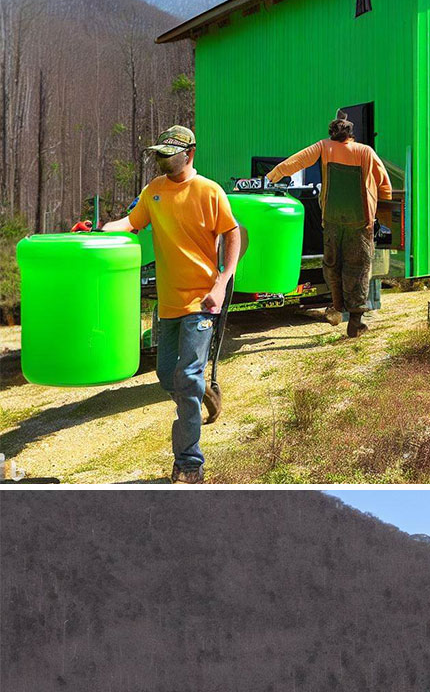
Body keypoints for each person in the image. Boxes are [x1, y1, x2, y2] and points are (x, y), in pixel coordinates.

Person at [104, 126, 238, 482]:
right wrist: (100, 231)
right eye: (159, 154)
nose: (162, 160)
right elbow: (131, 223)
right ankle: (200, 393)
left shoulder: (210, 191)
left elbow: (233, 233)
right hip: (169, 304)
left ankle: (189, 463)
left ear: (189, 153)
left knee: (187, 376)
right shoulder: (154, 191)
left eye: (169, 154)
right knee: (168, 376)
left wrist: (222, 282)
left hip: (203, 300)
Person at [267, 111, 392, 340]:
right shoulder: (365, 151)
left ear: (331, 133)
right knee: (358, 267)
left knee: (332, 264)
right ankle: (355, 321)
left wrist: (271, 177)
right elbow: (383, 182)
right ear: (351, 134)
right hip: (360, 220)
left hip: (332, 219)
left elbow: (297, 160)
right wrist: (383, 206)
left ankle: (337, 306)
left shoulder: (324, 147)